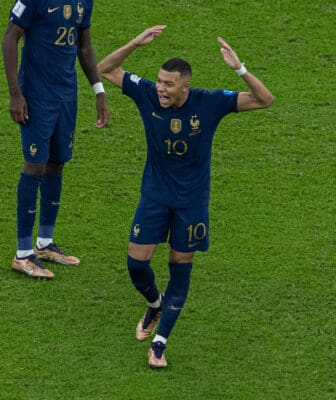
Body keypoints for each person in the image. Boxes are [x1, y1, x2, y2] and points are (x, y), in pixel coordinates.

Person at [97, 25, 274, 368]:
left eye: (168, 84)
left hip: (191, 202)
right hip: (155, 196)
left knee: (180, 268)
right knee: (136, 264)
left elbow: (265, 99)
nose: (161, 89)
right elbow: (105, 69)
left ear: (184, 88)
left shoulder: (209, 103)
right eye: (160, 82)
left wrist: (240, 70)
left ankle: (160, 344)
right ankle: (153, 303)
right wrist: (135, 42)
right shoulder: (146, 94)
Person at [3, 0, 109, 279]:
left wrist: (98, 90)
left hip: (66, 95)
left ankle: (45, 243)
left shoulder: (84, 2)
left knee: (57, 163)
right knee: (34, 166)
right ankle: (23, 253)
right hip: (36, 95)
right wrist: (16, 93)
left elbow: (84, 45)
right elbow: (10, 37)